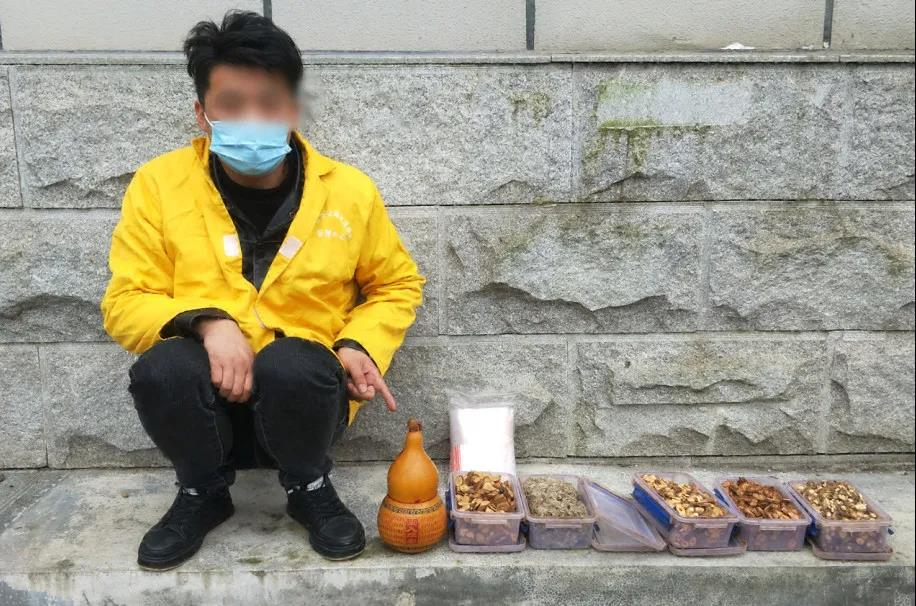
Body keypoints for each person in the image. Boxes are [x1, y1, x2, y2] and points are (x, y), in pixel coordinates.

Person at [100, 10, 424, 571]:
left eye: (269, 102)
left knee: (293, 362)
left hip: (305, 401)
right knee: (162, 369)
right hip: (205, 404)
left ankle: (309, 486)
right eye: (231, 103)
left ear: (293, 108)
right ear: (201, 113)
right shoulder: (159, 186)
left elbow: (396, 282)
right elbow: (124, 301)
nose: (251, 117)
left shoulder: (348, 192)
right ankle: (202, 492)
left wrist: (359, 344)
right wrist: (207, 322)